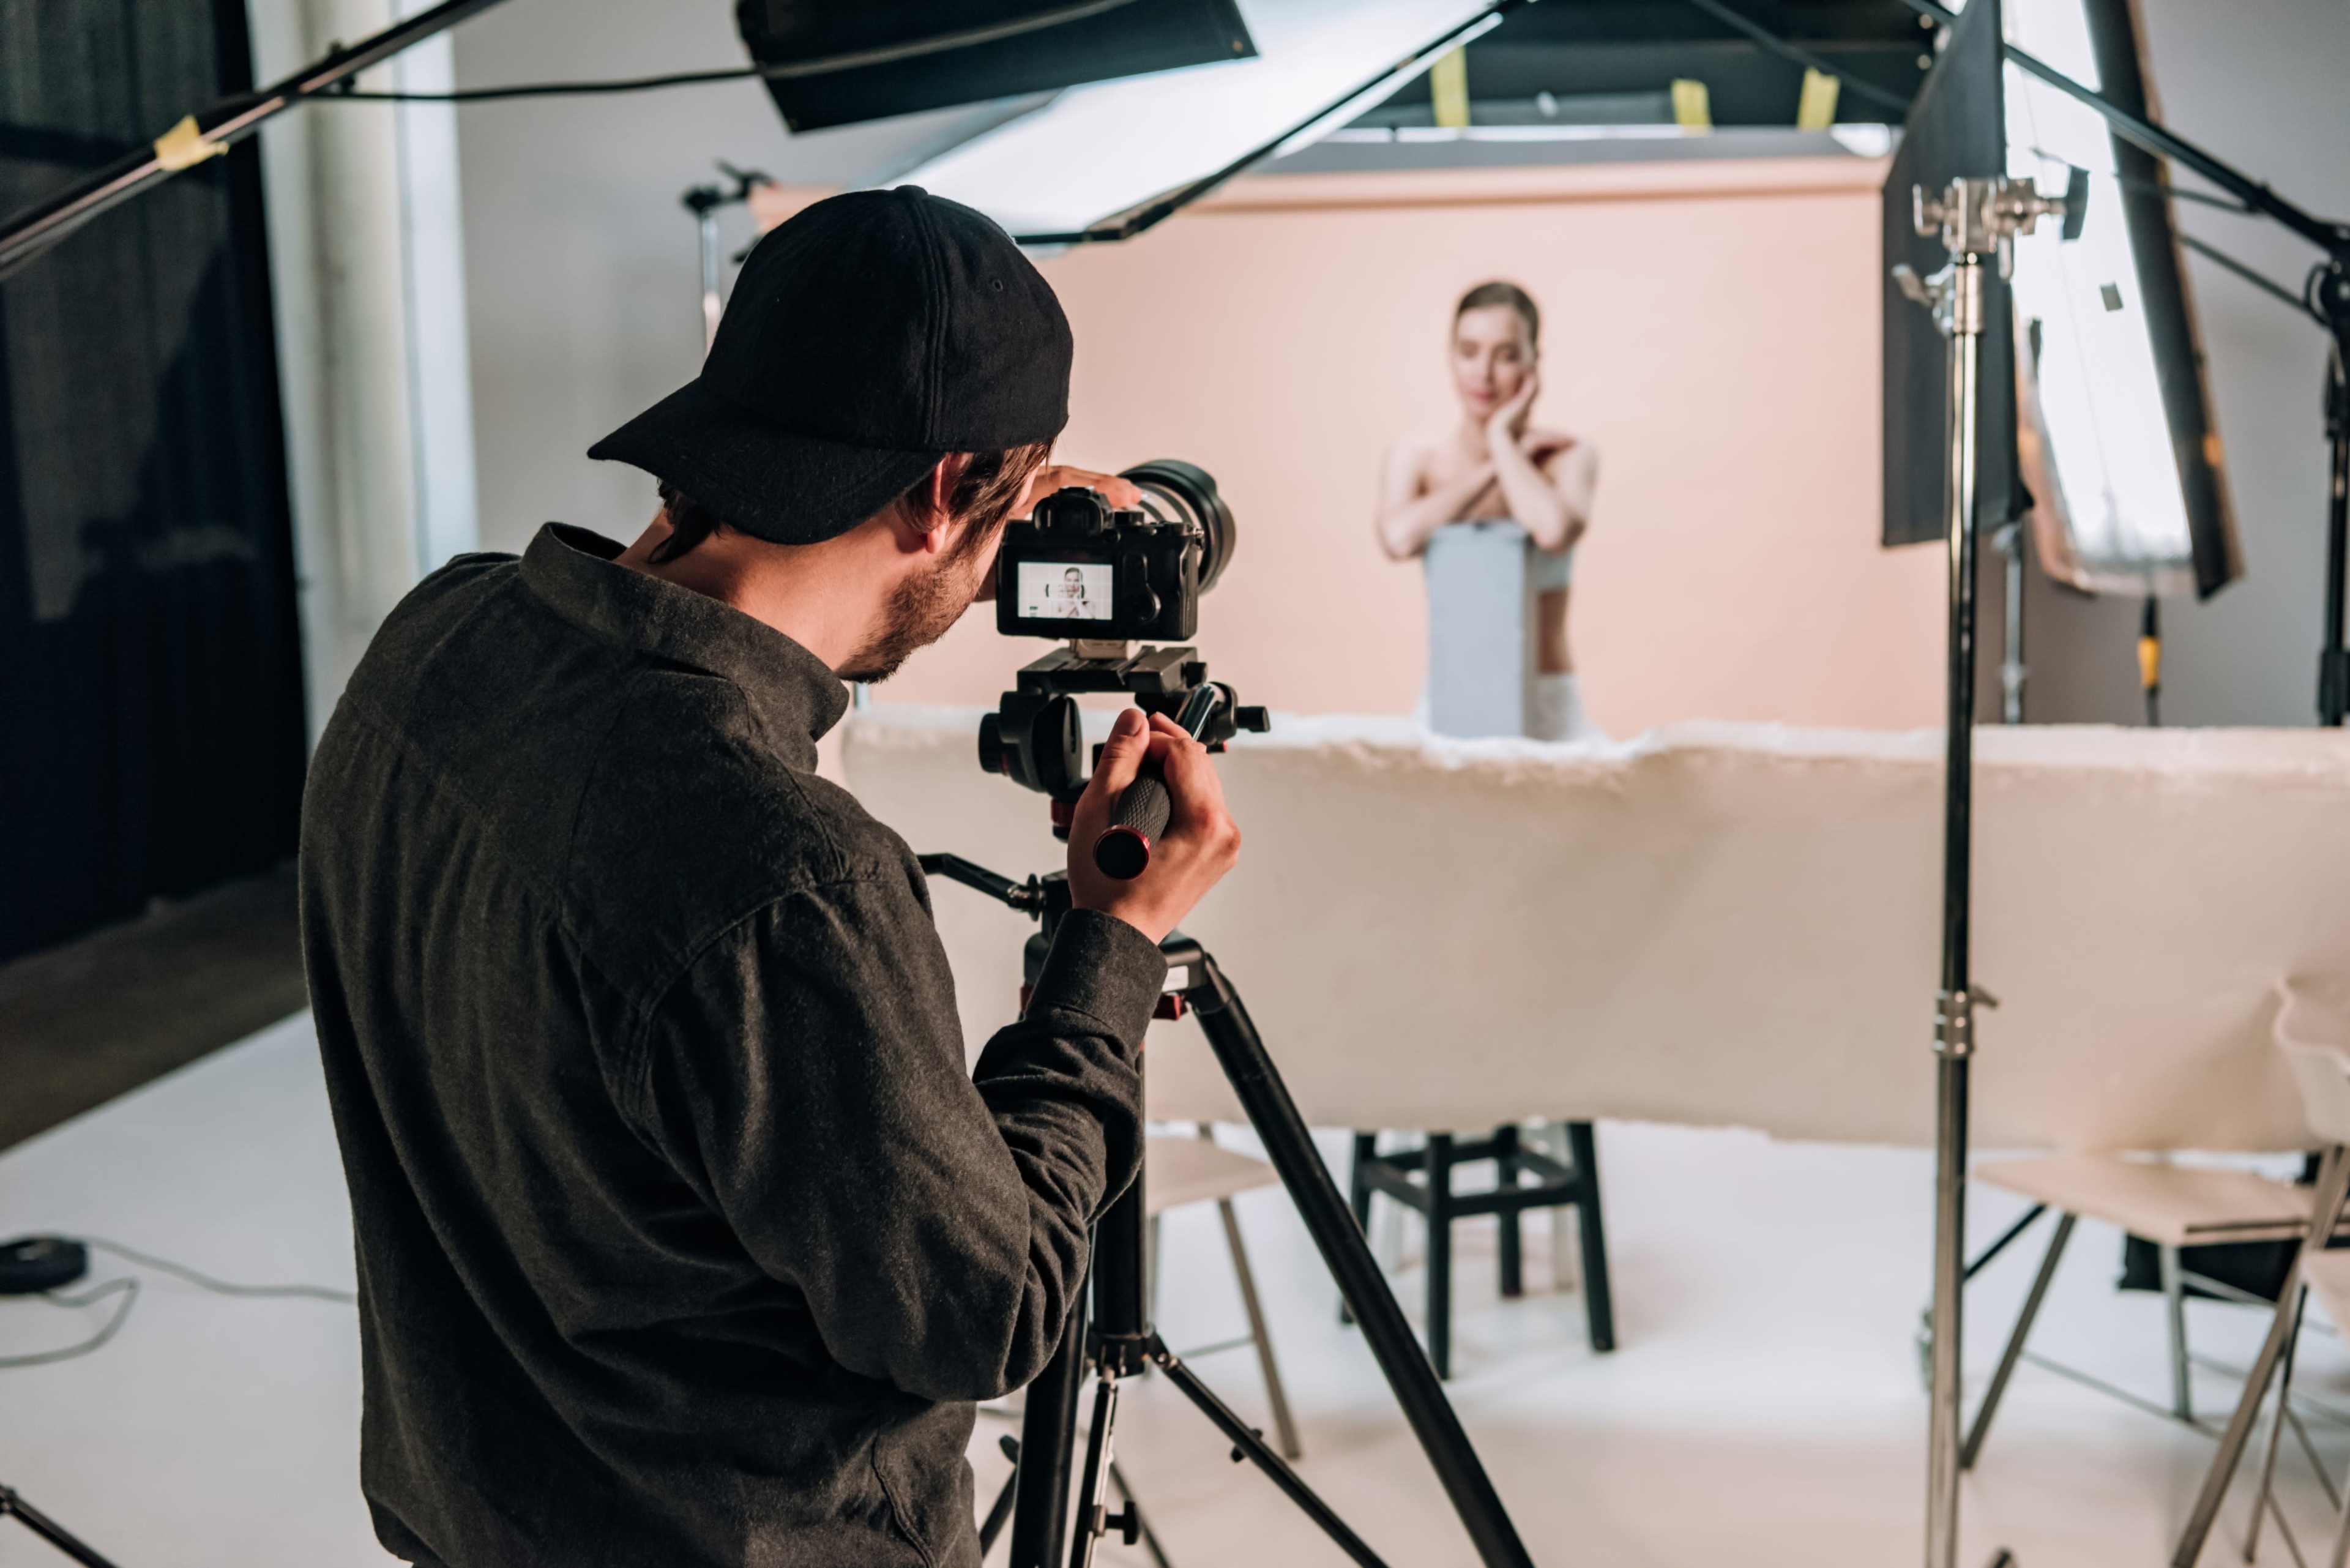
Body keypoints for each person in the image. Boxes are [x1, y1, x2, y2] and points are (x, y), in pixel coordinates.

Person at [298, 187, 1242, 1568]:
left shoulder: (435, 641)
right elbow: (985, 1314)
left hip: (470, 1518)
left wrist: (985, 502)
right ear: (941, 493)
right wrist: (1115, 941)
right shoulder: (789, 874)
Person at [1375, 280, 1602, 742]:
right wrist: (1493, 470)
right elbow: (1398, 539)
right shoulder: (1417, 457)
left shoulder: (1567, 456)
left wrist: (1502, 437)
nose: (1484, 372)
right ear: (1450, 356)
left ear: (1533, 362)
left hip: (1548, 699)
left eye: (1506, 355)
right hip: (1449, 695)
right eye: (1469, 351)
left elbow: (1553, 530)